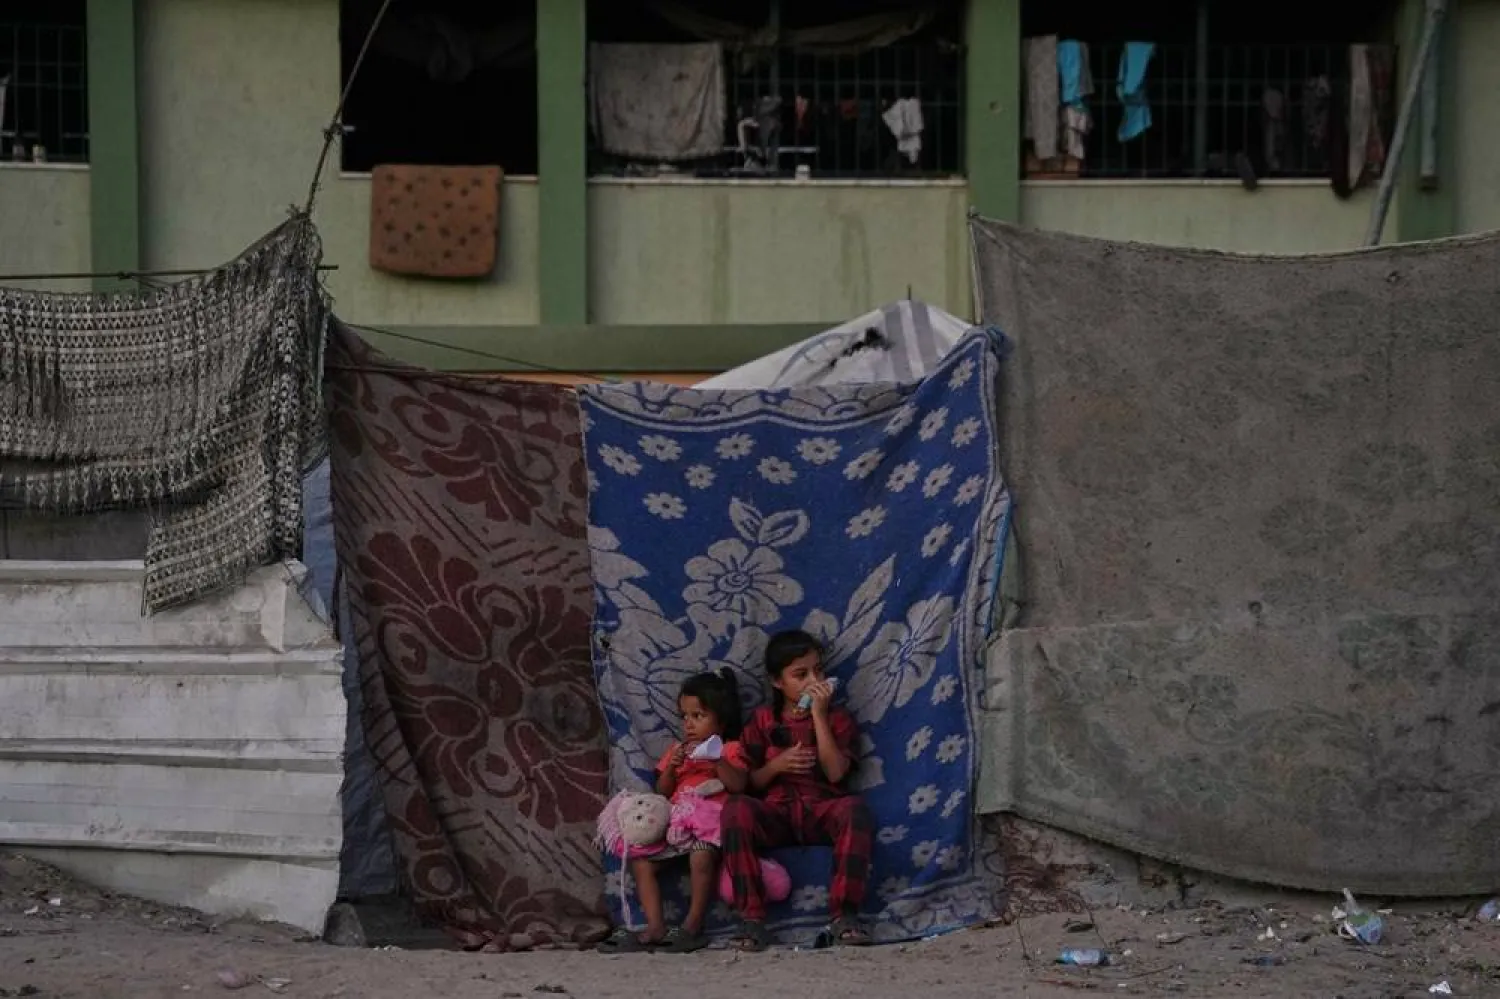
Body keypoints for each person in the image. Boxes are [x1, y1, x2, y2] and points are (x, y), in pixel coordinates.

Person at [720, 630, 875, 951]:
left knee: (854, 809)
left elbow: (836, 773)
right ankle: (752, 919)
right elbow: (749, 783)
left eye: (818, 671)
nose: (813, 681)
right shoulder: (763, 721)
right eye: (800, 674)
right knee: (736, 808)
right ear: (778, 682)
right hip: (776, 813)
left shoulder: (838, 719)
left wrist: (819, 715)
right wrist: (776, 767)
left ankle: (844, 916)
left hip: (821, 809)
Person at [599, 668, 749, 953]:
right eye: (685, 717)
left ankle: (693, 926)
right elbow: (663, 792)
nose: (689, 724)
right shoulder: (677, 749)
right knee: (641, 862)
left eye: (698, 716)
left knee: (701, 856)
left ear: (721, 719)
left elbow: (739, 784)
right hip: (675, 826)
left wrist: (715, 759)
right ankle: (655, 925)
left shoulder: (730, 749)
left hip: (709, 827)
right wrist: (671, 767)